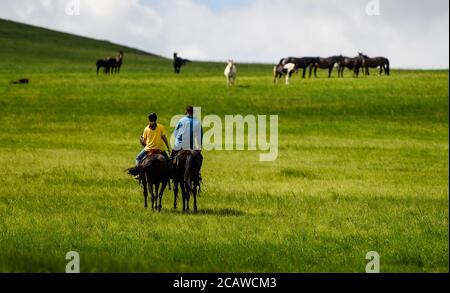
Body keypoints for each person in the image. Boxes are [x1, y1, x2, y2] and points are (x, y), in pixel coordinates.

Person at [170, 106, 203, 178]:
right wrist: (199, 146)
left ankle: (171, 173)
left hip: (179, 145)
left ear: (186, 112)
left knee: (171, 157)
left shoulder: (181, 120)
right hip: (192, 146)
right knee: (200, 157)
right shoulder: (197, 122)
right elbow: (200, 137)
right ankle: (197, 173)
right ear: (194, 113)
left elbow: (175, 133)